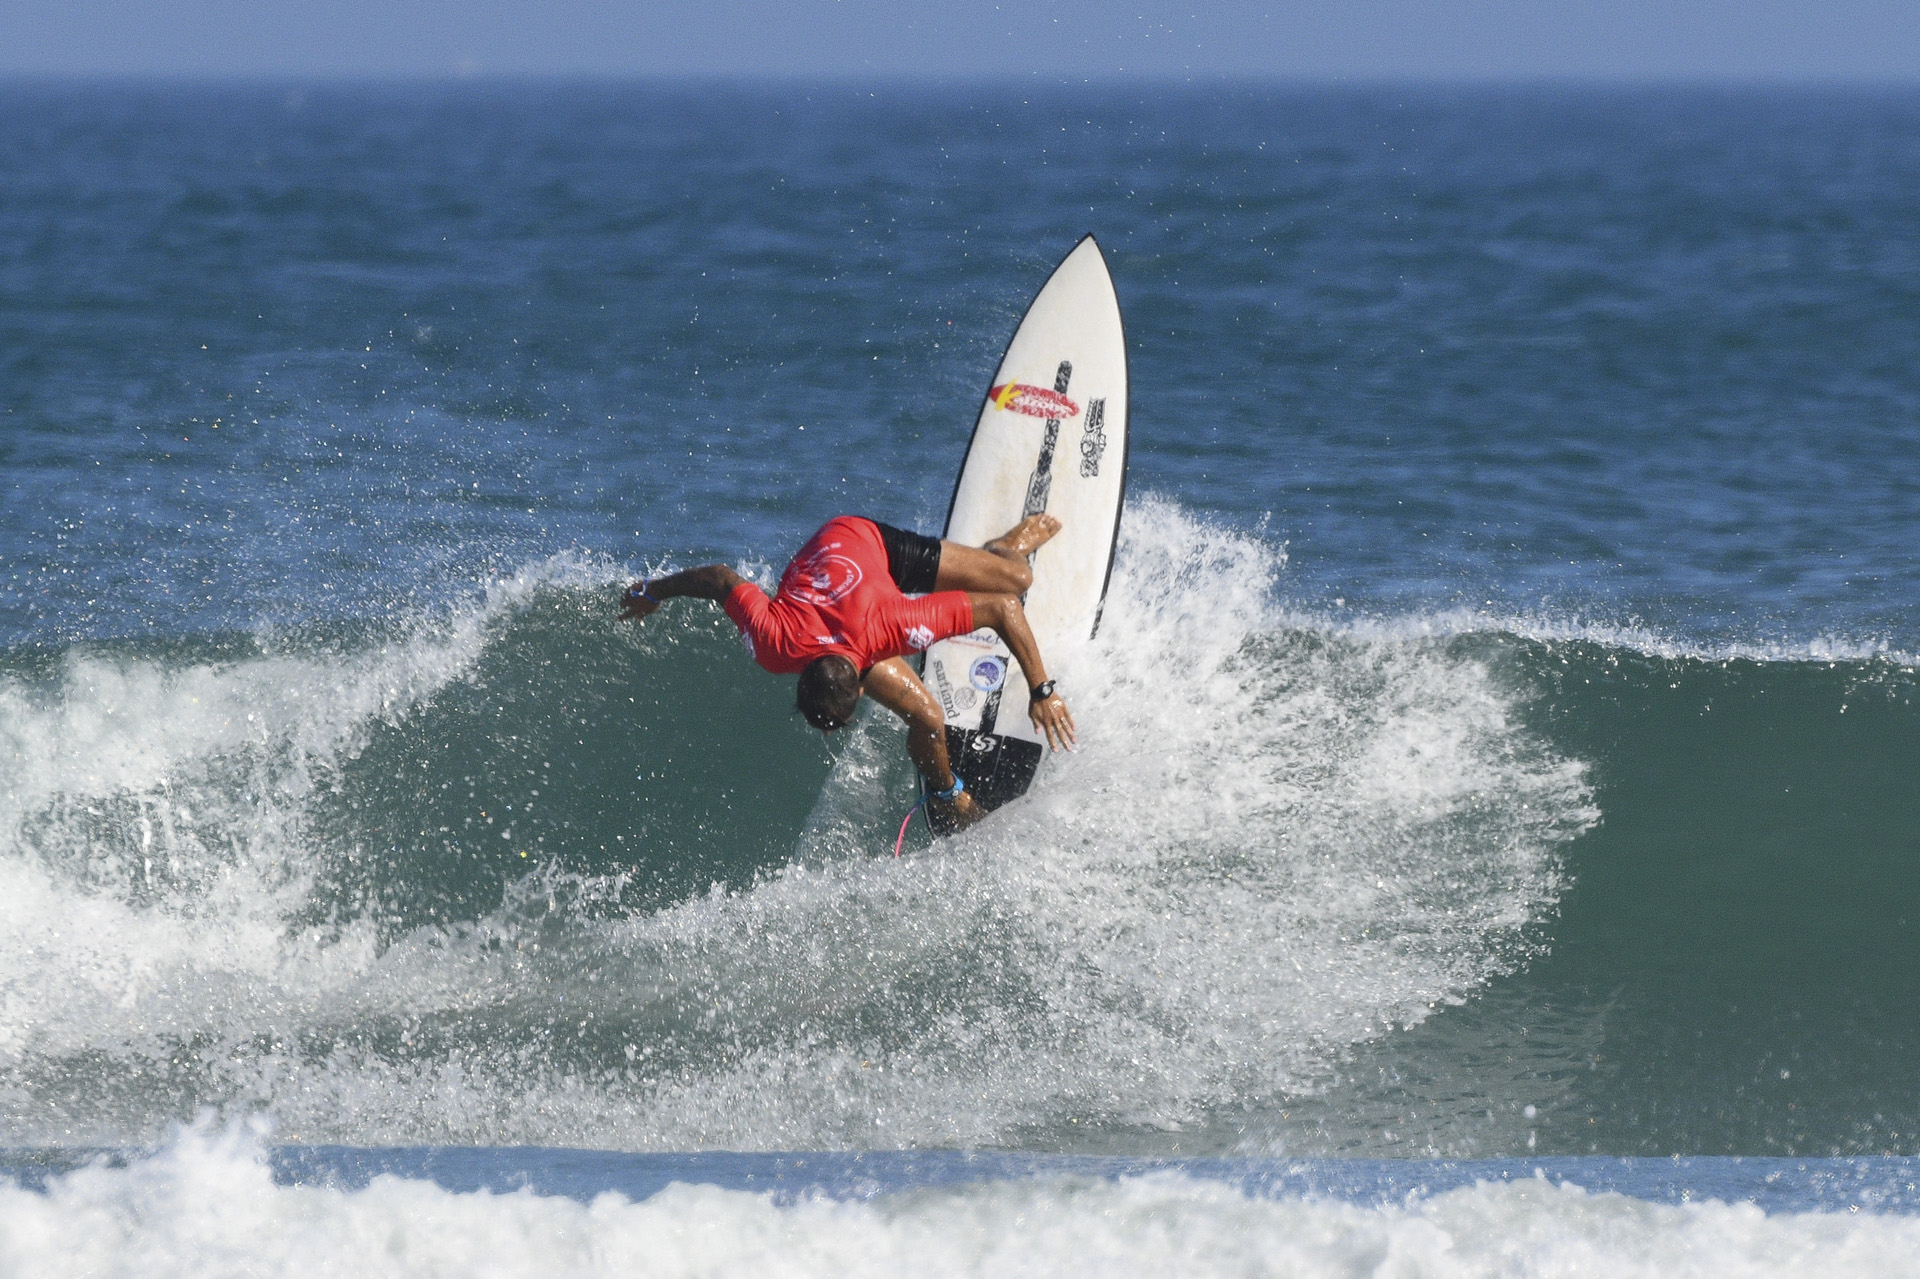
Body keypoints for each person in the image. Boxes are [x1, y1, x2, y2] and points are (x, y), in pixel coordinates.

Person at [620, 514, 1076, 827]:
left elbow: (1001, 608)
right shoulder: (774, 641)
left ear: (863, 683)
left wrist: (1043, 691)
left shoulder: (895, 627)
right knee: (928, 718)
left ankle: (1001, 548)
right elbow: (719, 578)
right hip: (837, 601)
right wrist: (652, 591)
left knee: (1016, 580)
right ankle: (949, 793)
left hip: (865, 542)